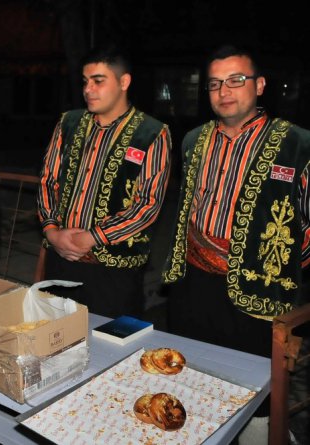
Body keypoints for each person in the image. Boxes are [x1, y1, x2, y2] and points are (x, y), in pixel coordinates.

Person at [162, 44, 310, 444]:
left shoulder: (298, 144)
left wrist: (284, 273)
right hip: (192, 284)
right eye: (215, 83)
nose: (224, 90)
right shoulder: (192, 140)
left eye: (236, 80)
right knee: (192, 380)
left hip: (258, 296)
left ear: (259, 85)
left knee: (255, 397)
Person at [37, 45, 171, 318]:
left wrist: (93, 237)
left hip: (114, 270)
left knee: (110, 349)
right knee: (54, 340)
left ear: (124, 82)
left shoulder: (152, 132)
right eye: (85, 82)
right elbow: (48, 181)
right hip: (60, 259)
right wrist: (52, 231)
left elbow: (147, 204)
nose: (89, 89)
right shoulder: (68, 123)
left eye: (98, 81)